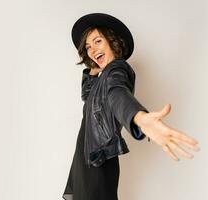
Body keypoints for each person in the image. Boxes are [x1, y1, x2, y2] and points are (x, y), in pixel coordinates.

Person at [62, 13, 200, 200]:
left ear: (111, 41)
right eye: (88, 47)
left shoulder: (117, 70)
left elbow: (118, 95)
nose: (92, 49)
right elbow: (87, 96)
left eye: (98, 41)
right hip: (85, 163)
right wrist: (93, 68)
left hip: (98, 166)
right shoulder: (102, 79)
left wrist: (140, 118)